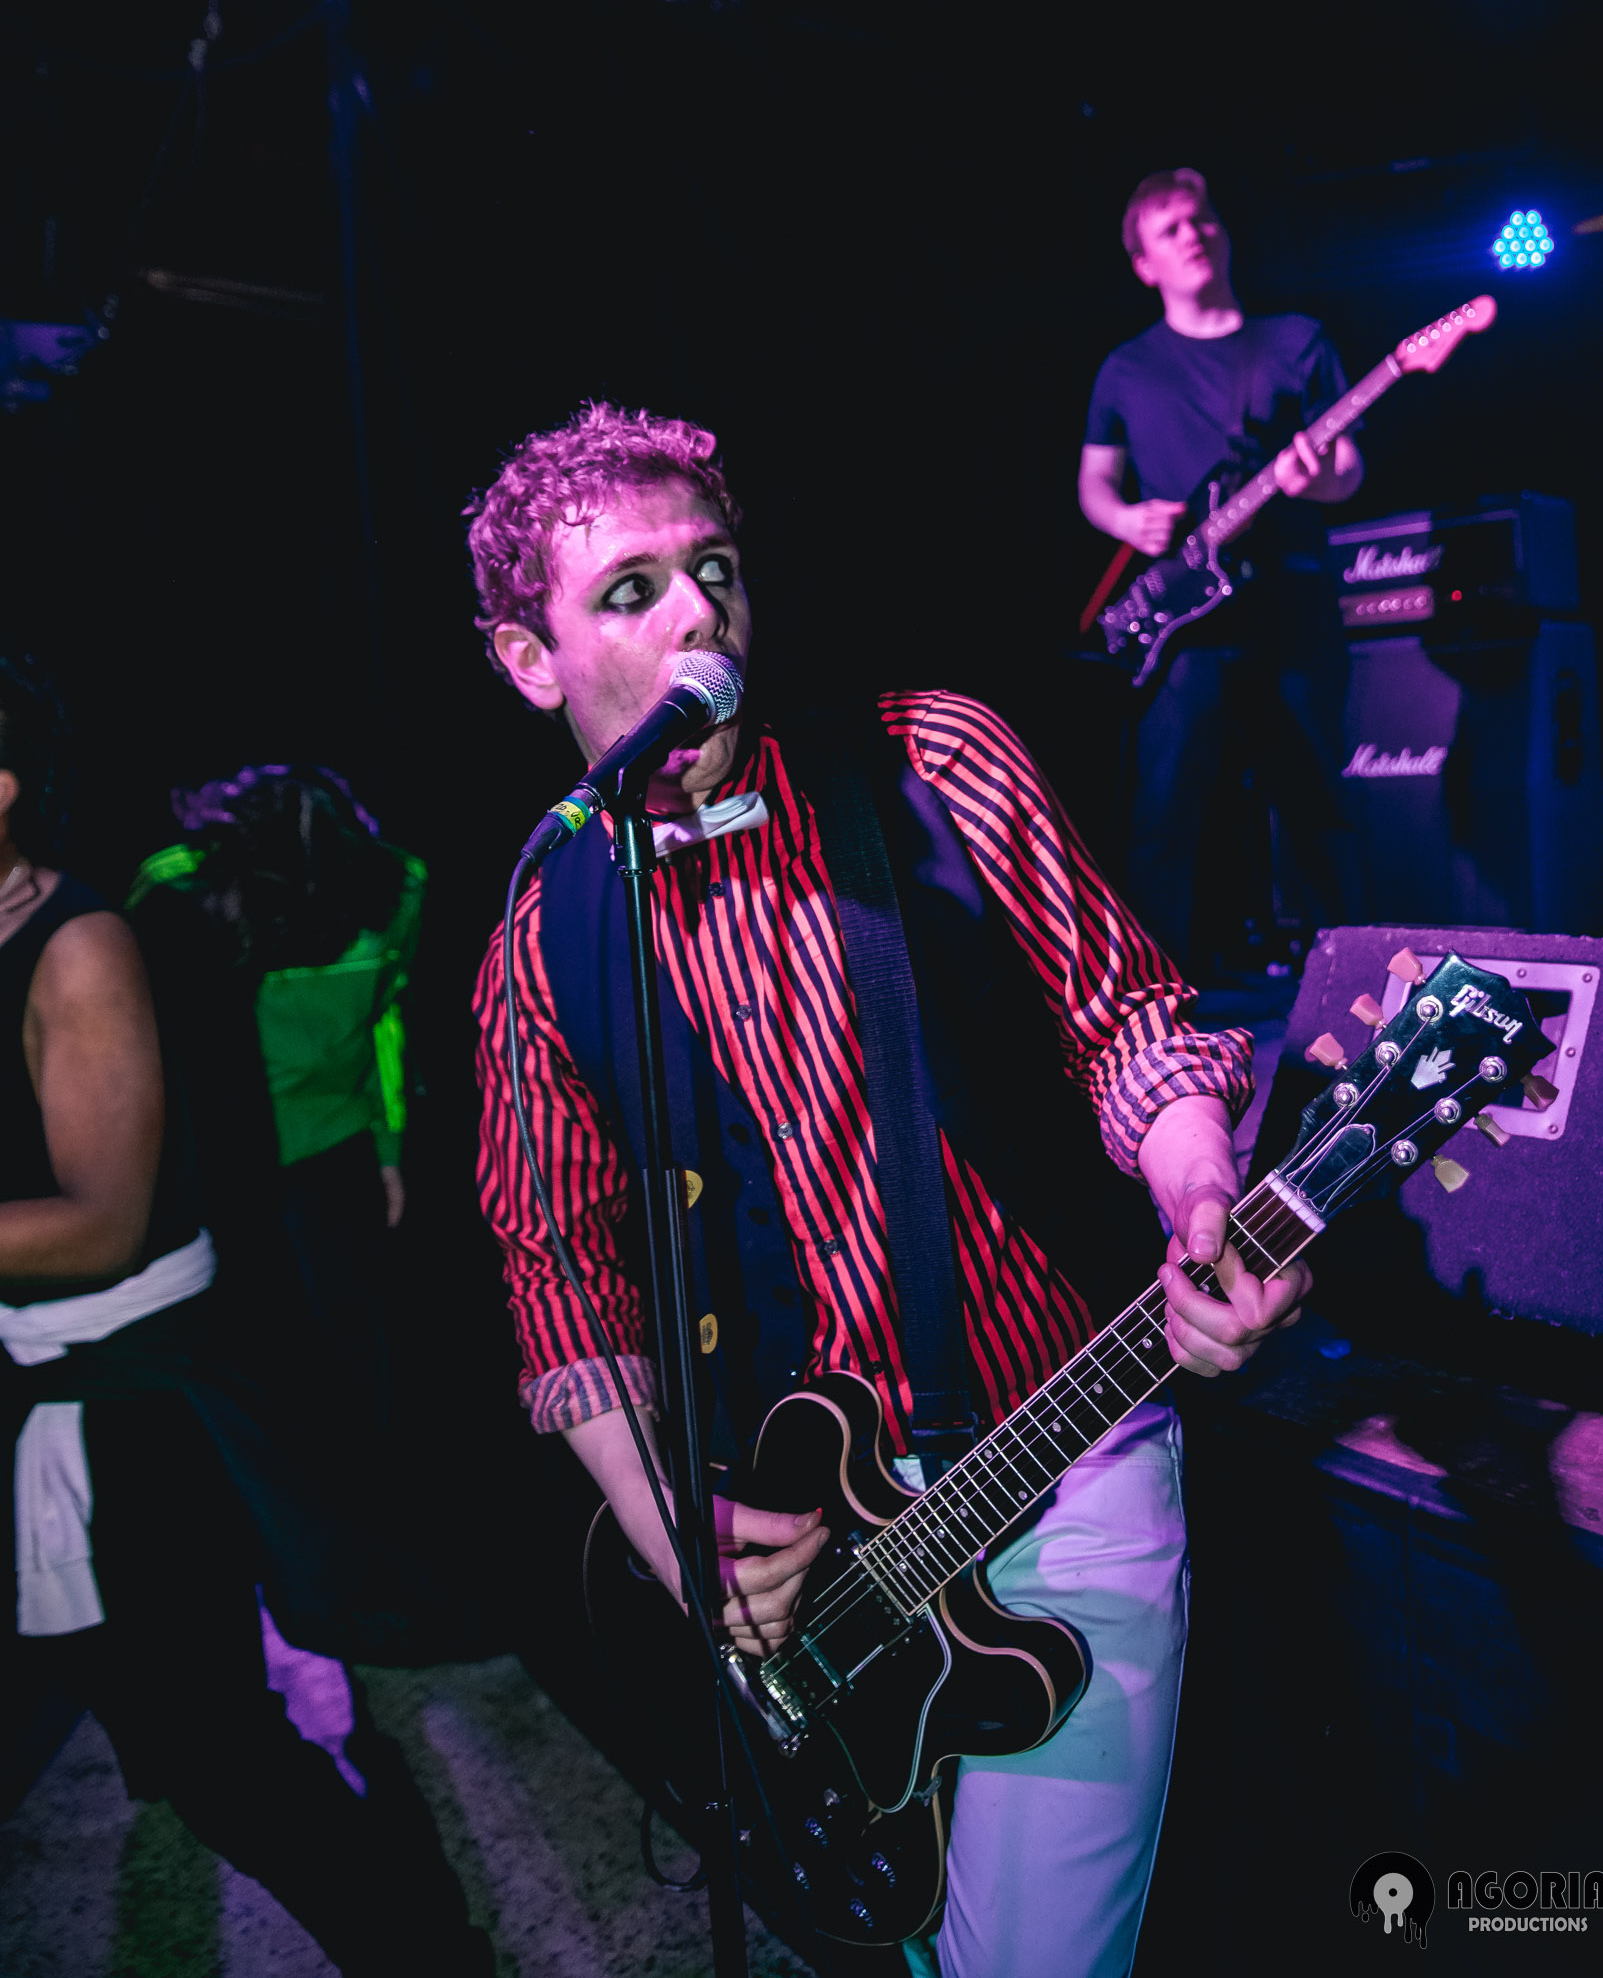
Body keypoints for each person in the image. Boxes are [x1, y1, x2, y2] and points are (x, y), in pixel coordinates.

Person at [466, 404, 1314, 1978]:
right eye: (631, 590)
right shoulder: (543, 931)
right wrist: (690, 1556)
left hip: (1063, 1464)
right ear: (531, 660)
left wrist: (1204, 1194)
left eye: (712, 567)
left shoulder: (926, 758)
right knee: (920, 1946)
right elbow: (556, 1277)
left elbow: (1125, 1020)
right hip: (832, 1551)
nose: (699, 611)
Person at [0, 659, 490, 1976]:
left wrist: (387, 1139)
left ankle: (420, 1933)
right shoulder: (140, 899)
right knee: (188, 1731)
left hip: (236, 1272)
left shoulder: (104, 935)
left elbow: (107, 1215)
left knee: (218, 1745)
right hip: (171, 1252)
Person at [1078, 166, 1364, 971]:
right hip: (1185, 621)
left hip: (1291, 603)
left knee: (1317, 805)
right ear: (1143, 263)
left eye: (1202, 220)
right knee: (1164, 813)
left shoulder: (1296, 340)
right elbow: (1094, 482)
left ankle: (1362, 991)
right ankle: (1151, 1006)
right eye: (1170, 228)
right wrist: (1127, 518)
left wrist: (1321, 478)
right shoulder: (1127, 368)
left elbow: (1348, 469)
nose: (1193, 235)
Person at [128, 764, 425, 1447]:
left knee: (350, 1341)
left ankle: (363, 1497)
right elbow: (142, 1042)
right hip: (219, 1160)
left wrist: (388, 1153)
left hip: (334, 1147)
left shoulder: (398, 884)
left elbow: (388, 1019)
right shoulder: (176, 887)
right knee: (248, 1348)